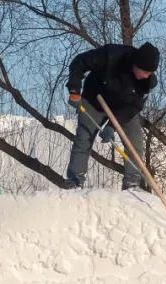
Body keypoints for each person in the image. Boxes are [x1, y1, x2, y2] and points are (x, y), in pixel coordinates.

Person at [65, 42, 160, 190]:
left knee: (135, 141)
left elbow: (133, 107)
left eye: (150, 73)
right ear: (136, 64)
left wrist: (112, 126)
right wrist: (74, 90)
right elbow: (79, 63)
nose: (147, 76)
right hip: (94, 100)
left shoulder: (147, 82)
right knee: (84, 137)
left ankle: (132, 184)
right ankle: (75, 180)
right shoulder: (110, 55)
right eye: (145, 71)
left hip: (123, 110)